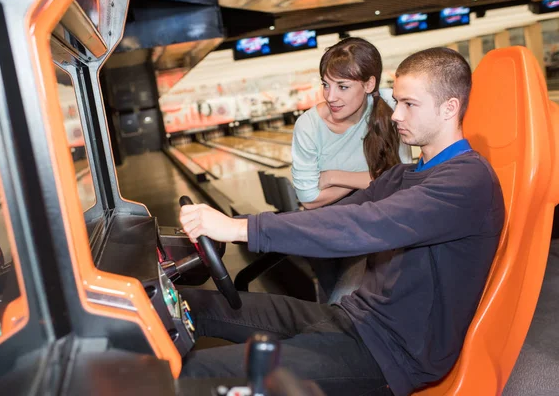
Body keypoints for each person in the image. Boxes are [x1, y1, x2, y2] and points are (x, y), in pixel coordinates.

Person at [178, 47, 505, 396]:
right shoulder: (401, 176)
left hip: (391, 353)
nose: (395, 115)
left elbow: (365, 224)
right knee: (187, 304)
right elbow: (330, 216)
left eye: (410, 104)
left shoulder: (467, 180)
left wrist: (241, 230)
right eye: (397, 102)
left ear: (449, 108)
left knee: (199, 372)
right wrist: (233, 222)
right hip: (350, 319)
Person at [292, 37, 412, 210]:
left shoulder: (391, 103)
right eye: (326, 84)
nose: (330, 97)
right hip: (335, 219)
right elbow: (309, 200)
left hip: (388, 210)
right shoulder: (308, 126)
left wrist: (334, 177)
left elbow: (403, 176)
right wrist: (377, 178)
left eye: (342, 86)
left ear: (369, 84)